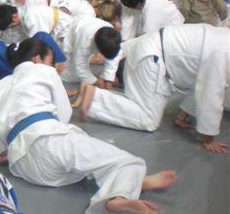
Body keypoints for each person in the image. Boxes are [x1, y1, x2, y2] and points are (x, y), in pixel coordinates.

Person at [0, 39, 177, 214]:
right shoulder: (43, 70)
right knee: (127, 161)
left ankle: (137, 182)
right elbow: (64, 113)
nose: (52, 66)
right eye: (50, 61)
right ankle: (118, 196)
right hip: (49, 140)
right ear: (37, 59)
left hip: (25, 167)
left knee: (83, 165)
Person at [75, 24, 230, 154]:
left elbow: (200, 84)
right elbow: (211, 94)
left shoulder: (224, 40)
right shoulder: (224, 53)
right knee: (148, 120)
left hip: (154, 49)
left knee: (142, 107)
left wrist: (182, 117)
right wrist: (208, 139)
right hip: (152, 57)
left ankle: (95, 96)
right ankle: (95, 98)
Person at [0, 3, 69, 69]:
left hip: (66, 30)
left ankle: (60, 64)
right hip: (56, 33)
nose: (13, 28)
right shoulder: (22, 14)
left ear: (14, 17)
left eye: (11, 26)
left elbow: (38, 41)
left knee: (38, 44)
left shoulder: (30, 16)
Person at [61, 19, 121, 88]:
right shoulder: (85, 38)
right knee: (71, 76)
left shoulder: (113, 36)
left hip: (91, 28)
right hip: (72, 35)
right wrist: (95, 81)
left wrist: (108, 78)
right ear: (98, 49)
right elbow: (80, 64)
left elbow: (114, 57)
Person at [120, 0, 184, 39]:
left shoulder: (150, 15)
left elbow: (146, 37)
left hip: (175, 30)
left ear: (138, 4)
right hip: (172, 17)